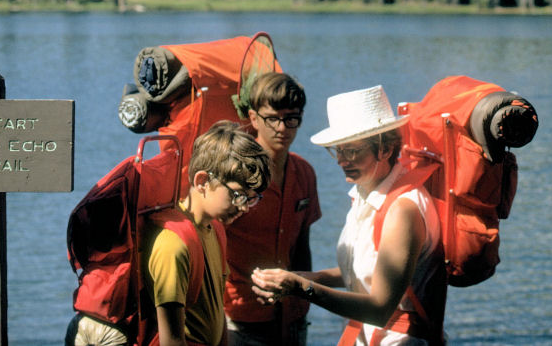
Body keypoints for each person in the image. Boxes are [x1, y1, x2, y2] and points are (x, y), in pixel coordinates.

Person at [251, 85, 447, 346]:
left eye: (352, 151)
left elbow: (380, 308)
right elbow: (365, 271)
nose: (342, 160)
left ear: (385, 149)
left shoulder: (403, 210)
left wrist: (302, 289)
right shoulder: (365, 193)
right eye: (338, 150)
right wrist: (306, 278)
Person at [142, 120, 271, 346]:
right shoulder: (173, 245)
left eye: (251, 199)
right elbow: (171, 340)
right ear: (202, 181)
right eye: (238, 195)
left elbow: (217, 311)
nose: (243, 208)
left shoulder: (216, 230)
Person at [224, 72, 322, 346]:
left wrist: (304, 298)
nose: (282, 128)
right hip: (238, 318)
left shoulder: (305, 173)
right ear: (254, 118)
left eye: (291, 118)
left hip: (291, 317)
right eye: (272, 119)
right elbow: (209, 239)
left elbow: (303, 243)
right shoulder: (235, 173)